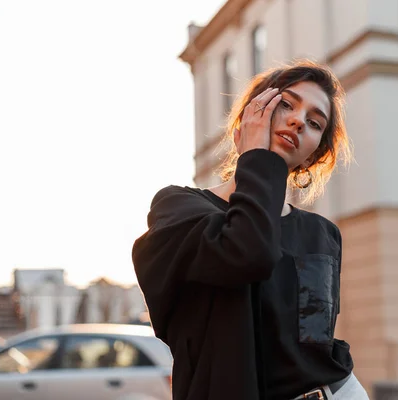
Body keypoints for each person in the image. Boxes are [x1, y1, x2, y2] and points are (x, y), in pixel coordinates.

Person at [132, 60, 369, 400]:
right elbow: (248, 252)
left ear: (311, 156)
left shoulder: (323, 234)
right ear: (251, 114)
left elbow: (314, 344)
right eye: (286, 103)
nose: (298, 121)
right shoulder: (178, 208)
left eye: (315, 123)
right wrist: (258, 158)